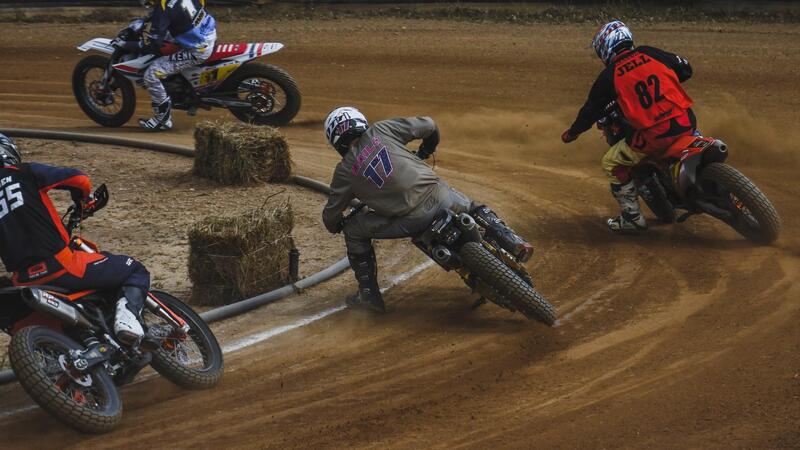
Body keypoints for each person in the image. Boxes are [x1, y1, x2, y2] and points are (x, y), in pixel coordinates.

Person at [322, 107, 532, 313]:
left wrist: (338, 224)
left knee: (353, 231)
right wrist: (426, 150)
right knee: (473, 207)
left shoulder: (344, 172)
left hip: (411, 221)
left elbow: (330, 218)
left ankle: (369, 296)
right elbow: (429, 125)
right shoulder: (381, 130)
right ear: (360, 122)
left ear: (335, 140)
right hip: (440, 196)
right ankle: (514, 241)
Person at [0, 134, 149, 345]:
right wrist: (82, 200)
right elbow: (79, 180)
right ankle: (127, 320)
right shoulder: (22, 172)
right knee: (133, 269)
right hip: (62, 266)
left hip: (23, 281)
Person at [561, 20, 696, 232]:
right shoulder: (650, 53)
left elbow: (590, 111)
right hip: (686, 122)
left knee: (611, 163)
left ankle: (632, 218)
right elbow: (686, 69)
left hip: (654, 137)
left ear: (605, 48)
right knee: (690, 131)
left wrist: (572, 133)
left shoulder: (610, 75)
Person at [131, 0, 217, 131]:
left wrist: (132, 46)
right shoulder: (166, 6)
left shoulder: (163, 9)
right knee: (168, 38)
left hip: (198, 49)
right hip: (208, 31)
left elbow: (155, 42)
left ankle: (162, 120)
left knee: (151, 75)